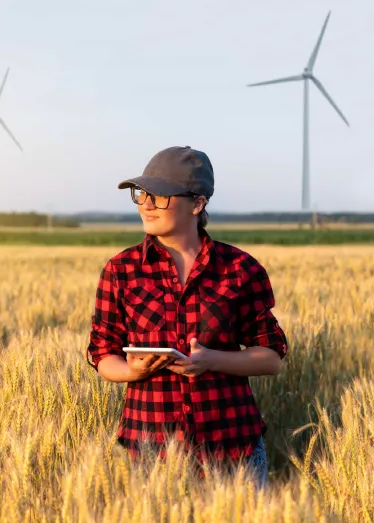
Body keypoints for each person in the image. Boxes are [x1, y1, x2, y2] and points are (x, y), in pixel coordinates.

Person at [85, 146, 288, 487]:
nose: (146, 204)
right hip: (149, 453)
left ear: (197, 204)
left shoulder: (239, 269)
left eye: (160, 196)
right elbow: (103, 353)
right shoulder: (121, 270)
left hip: (232, 450)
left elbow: (270, 358)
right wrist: (131, 371)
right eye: (142, 194)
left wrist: (210, 360)